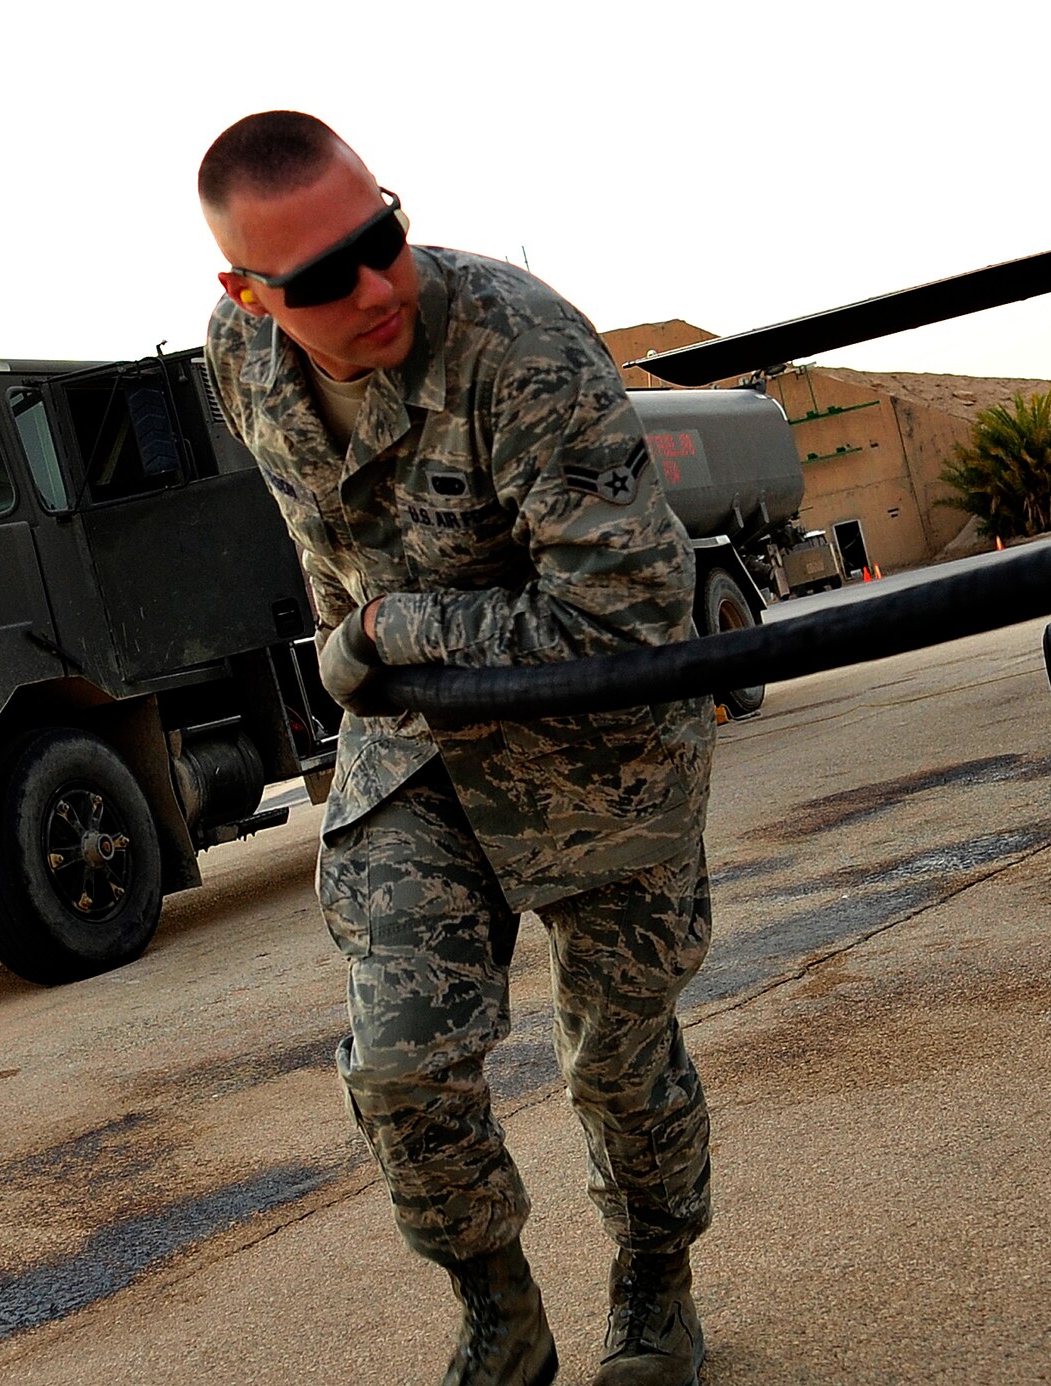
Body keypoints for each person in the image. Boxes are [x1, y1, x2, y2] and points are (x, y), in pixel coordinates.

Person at [197, 111, 718, 1386]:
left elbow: (626, 612)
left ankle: (654, 1289)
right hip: (414, 745)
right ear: (247, 294)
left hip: (596, 748)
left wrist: (388, 627)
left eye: (382, 238)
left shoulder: (519, 344)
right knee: (399, 1067)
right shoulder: (239, 358)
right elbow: (312, 523)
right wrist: (357, 647)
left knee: (616, 1062)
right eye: (324, 278)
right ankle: (500, 1315)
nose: (377, 286)